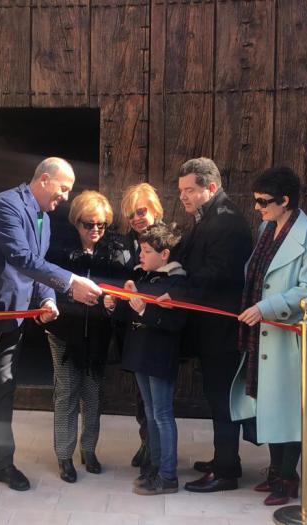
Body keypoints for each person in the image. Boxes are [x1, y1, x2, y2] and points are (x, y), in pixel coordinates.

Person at [0, 158, 102, 503]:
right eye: (63, 188)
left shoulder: (43, 218)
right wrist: (70, 283)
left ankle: (1, 463)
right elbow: (22, 258)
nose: (65, 196)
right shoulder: (5, 206)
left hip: (12, 319)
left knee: (4, 392)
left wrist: (47, 298)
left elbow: (35, 267)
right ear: (44, 180)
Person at [230, 167, 307, 506]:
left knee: (291, 408)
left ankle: (288, 477)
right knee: (268, 403)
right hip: (262, 333)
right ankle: (276, 471)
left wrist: (267, 307)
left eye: (264, 202)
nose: (258, 207)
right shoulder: (265, 228)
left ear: (285, 201)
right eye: (256, 201)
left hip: (289, 336)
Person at [173, 157, 253, 492]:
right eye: (181, 191)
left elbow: (219, 272)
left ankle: (226, 471)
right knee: (215, 395)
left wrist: (179, 284)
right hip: (209, 327)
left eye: (190, 190)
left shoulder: (227, 221)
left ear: (211, 187)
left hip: (221, 329)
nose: (184, 197)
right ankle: (223, 459)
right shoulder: (208, 217)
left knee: (222, 399)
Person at [45, 191, 129, 483]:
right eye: (88, 224)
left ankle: (89, 450)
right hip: (65, 331)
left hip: (97, 333)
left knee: (93, 394)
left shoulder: (114, 250)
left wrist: (111, 302)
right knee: (67, 391)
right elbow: (46, 285)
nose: (95, 230)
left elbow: (121, 289)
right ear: (75, 222)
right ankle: (64, 455)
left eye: (101, 225)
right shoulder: (58, 248)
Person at [109, 223, 187, 495]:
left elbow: (174, 321)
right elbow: (130, 315)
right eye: (141, 249)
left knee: (163, 414)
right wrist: (118, 303)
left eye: (146, 250)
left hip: (159, 356)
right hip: (140, 354)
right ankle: (154, 467)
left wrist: (143, 308)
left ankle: (168, 475)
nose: (140, 255)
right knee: (151, 414)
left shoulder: (177, 282)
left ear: (164, 254)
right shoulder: (144, 276)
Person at [117, 183, 165, 470]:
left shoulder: (169, 240)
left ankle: (158, 455)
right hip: (132, 327)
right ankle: (147, 442)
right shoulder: (125, 244)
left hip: (159, 328)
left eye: (141, 211)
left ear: (155, 209)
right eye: (131, 214)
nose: (136, 218)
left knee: (159, 402)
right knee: (141, 397)